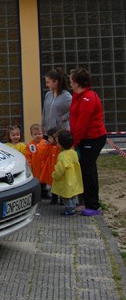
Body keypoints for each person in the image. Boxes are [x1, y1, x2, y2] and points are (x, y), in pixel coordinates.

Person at [69, 67, 107, 216]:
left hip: (93, 137)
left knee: (88, 170)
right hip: (83, 138)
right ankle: (86, 200)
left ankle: (93, 206)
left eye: (72, 80)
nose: (70, 82)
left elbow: (82, 123)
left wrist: (74, 142)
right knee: (85, 170)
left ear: (78, 82)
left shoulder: (88, 97)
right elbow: (74, 117)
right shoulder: (77, 96)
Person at [51, 130, 83, 216]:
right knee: (72, 193)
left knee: (65, 195)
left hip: (66, 179)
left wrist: (55, 175)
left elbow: (60, 168)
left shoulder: (62, 155)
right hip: (74, 177)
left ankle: (69, 209)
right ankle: (74, 205)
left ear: (60, 144)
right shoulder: (73, 152)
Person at [25, 123, 52, 200]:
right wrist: (30, 165)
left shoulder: (46, 143)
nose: (37, 136)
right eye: (35, 134)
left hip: (45, 167)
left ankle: (45, 193)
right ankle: (38, 195)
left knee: (45, 181)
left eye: (39, 134)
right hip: (36, 167)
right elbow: (28, 156)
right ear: (32, 135)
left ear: (42, 134)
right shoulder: (30, 145)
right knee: (37, 182)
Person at [42, 67, 72, 132]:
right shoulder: (48, 94)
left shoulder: (66, 96)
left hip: (60, 133)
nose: (46, 85)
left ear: (55, 82)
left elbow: (75, 110)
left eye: (48, 82)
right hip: (48, 132)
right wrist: (43, 127)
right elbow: (44, 113)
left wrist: (63, 118)